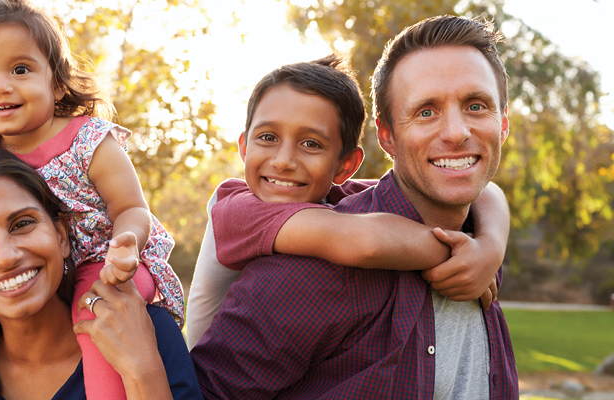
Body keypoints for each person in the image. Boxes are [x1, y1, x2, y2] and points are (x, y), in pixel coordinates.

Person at [191, 15, 518, 399]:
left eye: (476, 105)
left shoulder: (477, 247)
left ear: (503, 125)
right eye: (426, 111)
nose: (456, 132)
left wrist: (490, 249)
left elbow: (489, 192)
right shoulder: (309, 266)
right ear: (387, 137)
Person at [0, 1, 183, 399]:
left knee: (95, 313)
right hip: (37, 277)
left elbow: (132, 208)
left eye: (20, 69)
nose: (0, 86)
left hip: (105, 264)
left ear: (56, 81)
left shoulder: (89, 140)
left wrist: (127, 245)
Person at [0, 148, 201, 400]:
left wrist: (142, 369)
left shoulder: (143, 331)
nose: (6, 256)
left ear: (62, 236)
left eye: (22, 224)